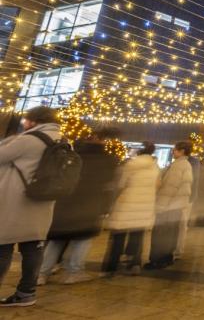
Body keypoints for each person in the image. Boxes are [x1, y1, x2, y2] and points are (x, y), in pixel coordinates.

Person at [39, 127, 121, 285]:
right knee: (82, 239)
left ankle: (42, 273)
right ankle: (73, 272)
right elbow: (108, 184)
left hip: (65, 200)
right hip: (89, 203)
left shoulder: (73, 154)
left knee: (57, 239)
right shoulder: (108, 160)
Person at [0, 106, 62, 307]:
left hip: (16, 201)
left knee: (3, 245)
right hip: (42, 201)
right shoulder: (60, 140)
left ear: (34, 120)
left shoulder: (29, 139)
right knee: (33, 247)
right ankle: (27, 292)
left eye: (26, 120)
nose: (24, 123)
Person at [102, 142, 160, 276]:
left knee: (118, 237)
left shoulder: (131, 165)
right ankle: (135, 264)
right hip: (145, 205)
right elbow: (157, 185)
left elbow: (121, 184)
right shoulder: (155, 167)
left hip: (127, 203)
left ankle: (111, 267)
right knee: (138, 236)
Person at [145, 141, 193, 269]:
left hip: (168, 206)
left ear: (182, 151)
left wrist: (161, 206)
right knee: (171, 234)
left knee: (160, 234)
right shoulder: (186, 164)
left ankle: (156, 260)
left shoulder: (178, 165)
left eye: (175, 149)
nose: (173, 151)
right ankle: (167, 258)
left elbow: (170, 188)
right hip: (176, 206)